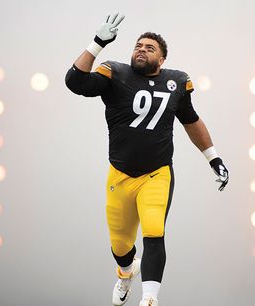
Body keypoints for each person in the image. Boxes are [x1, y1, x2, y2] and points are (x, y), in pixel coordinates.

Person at [65, 13, 229, 306]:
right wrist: (97, 43)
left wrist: (213, 158)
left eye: (150, 48)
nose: (141, 49)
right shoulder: (115, 74)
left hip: (157, 173)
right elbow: (75, 82)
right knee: (120, 245)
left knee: (154, 231)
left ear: (162, 60)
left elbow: (191, 120)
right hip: (120, 174)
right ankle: (126, 271)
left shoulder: (176, 82)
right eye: (138, 45)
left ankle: (149, 300)